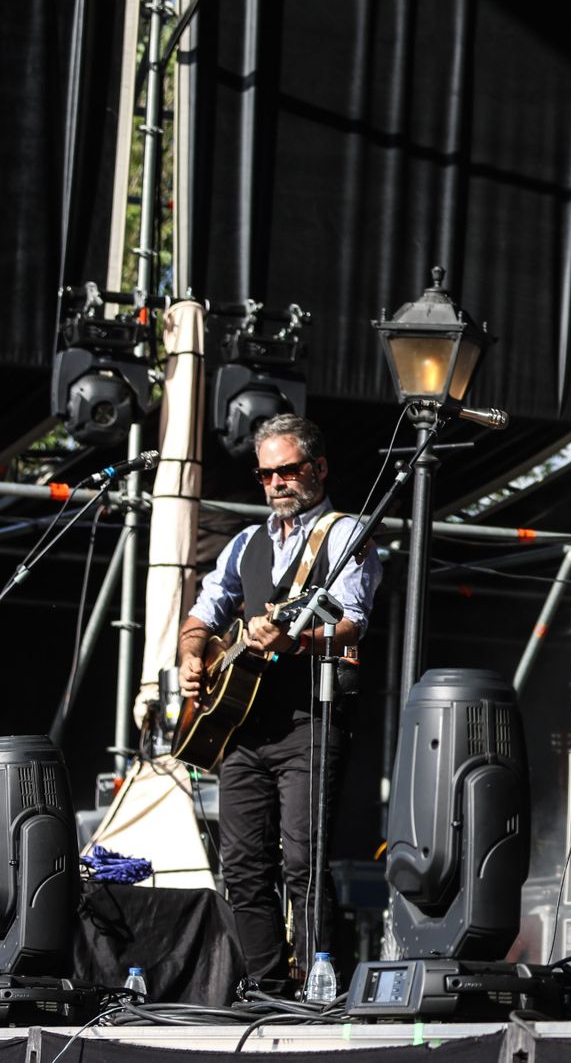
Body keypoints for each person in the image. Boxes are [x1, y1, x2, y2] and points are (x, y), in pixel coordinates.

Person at [178, 414, 382, 992]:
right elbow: (203, 612)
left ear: (318, 468)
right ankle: (266, 987)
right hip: (242, 727)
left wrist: (298, 637)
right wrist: (193, 654)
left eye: (287, 471)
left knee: (303, 861)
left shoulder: (344, 534)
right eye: (266, 474)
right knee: (242, 865)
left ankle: (324, 985)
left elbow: (350, 622)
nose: (276, 484)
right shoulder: (246, 543)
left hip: (308, 721)